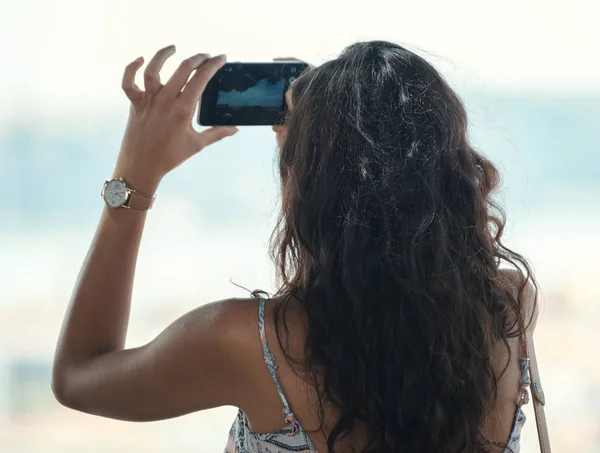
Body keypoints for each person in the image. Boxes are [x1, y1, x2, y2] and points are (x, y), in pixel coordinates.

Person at [51, 41, 539, 453]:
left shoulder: (246, 341)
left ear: (314, 193)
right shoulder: (507, 307)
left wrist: (133, 181)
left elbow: (78, 376)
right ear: (453, 172)